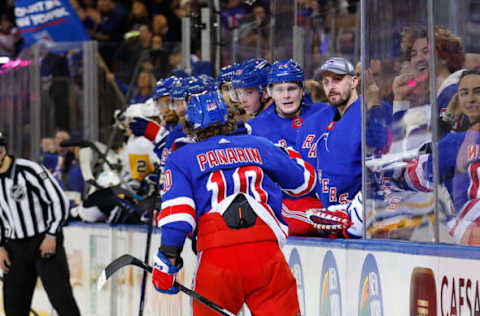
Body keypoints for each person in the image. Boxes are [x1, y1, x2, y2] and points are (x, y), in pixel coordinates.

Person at [151, 92, 316, 315]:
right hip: (266, 255)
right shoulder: (260, 145)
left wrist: (166, 263)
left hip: (217, 262)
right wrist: (284, 152)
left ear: (190, 126)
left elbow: (178, 218)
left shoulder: (181, 158)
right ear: (229, 117)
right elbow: (303, 182)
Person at [0, 132, 80, 315]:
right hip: (14, 248)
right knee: (14, 307)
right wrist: (1, 247)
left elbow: (58, 200)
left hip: (43, 241)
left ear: (2, 151)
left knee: (62, 301)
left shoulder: (29, 170)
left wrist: (52, 234)